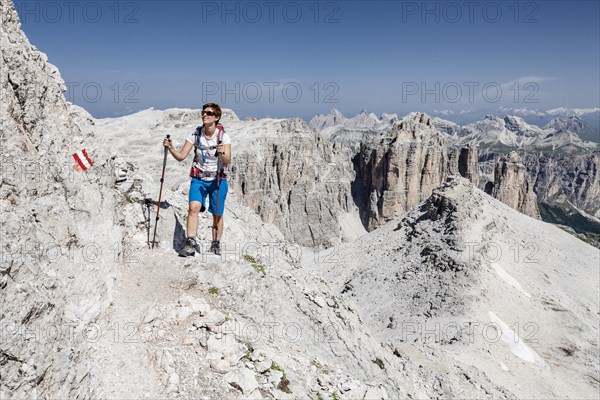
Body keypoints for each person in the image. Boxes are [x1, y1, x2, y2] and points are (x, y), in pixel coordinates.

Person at [163, 103, 231, 256]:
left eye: (209, 113)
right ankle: (190, 243)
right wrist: (171, 147)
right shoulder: (195, 134)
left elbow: (227, 161)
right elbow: (181, 156)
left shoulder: (223, 137)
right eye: (204, 112)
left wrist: (222, 154)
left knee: (217, 214)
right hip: (198, 178)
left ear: (217, 117)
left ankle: (216, 243)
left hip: (218, 181)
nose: (205, 115)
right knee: (193, 208)